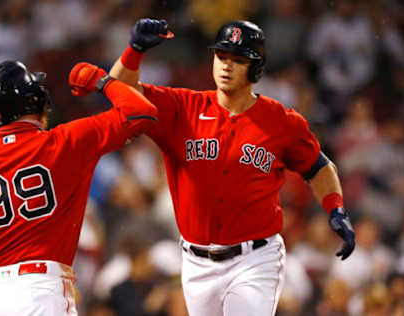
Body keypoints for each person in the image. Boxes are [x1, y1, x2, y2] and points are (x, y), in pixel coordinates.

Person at [98, 18, 356, 316]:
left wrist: (336, 209)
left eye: (237, 59)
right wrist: (135, 49)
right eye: (221, 56)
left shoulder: (282, 121)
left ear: (256, 68)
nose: (226, 66)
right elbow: (115, 90)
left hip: (255, 260)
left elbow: (319, 167)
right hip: (196, 263)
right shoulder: (182, 108)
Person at [0, 60, 158, 316]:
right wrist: (101, 81)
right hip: (41, 292)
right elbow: (142, 111)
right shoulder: (65, 142)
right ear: (32, 99)